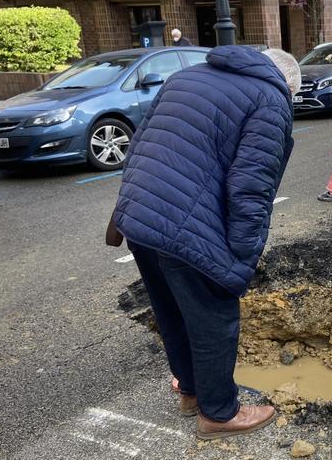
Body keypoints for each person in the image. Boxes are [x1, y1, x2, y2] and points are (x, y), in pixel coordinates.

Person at [106, 46, 300, 439]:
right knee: (213, 318)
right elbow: (251, 186)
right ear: (287, 85)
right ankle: (219, 413)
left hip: (140, 213)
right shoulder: (271, 99)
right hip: (187, 222)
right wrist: (243, 254)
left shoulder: (187, 77)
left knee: (172, 309)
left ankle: (192, 392)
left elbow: (142, 141)